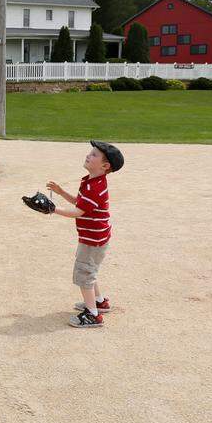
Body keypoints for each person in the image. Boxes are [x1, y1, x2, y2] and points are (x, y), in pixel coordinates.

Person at [44, 140, 124, 329]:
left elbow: (78, 212)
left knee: (84, 274)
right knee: (90, 270)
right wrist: (61, 192)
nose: (89, 155)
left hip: (93, 239)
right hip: (94, 237)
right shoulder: (91, 181)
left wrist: (52, 209)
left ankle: (93, 315)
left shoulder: (94, 187)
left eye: (94, 155)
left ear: (105, 166)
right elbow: (80, 203)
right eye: (90, 152)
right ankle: (99, 301)